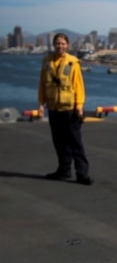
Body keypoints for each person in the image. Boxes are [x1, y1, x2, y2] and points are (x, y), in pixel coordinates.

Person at [37, 33, 92, 185]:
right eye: (57, 43)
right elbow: (42, 84)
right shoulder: (46, 62)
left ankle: (82, 174)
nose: (60, 46)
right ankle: (64, 170)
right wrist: (41, 104)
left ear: (67, 45)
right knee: (59, 142)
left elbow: (79, 86)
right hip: (54, 109)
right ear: (54, 45)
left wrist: (79, 106)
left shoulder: (72, 62)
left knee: (75, 143)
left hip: (69, 109)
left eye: (62, 43)